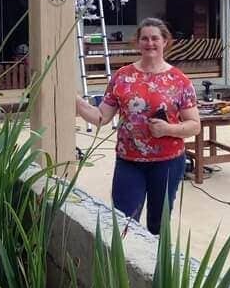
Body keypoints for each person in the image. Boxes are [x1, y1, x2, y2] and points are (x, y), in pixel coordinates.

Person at [76, 18, 201, 235]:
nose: (150, 43)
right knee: (122, 222)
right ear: (137, 42)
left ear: (165, 42)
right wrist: (74, 100)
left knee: (158, 224)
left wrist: (168, 129)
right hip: (129, 162)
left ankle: (155, 267)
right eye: (145, 38)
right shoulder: (122, 77)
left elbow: (194, 125)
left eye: (155, 38)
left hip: (168, 163)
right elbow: (100, 118)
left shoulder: (179, 80)